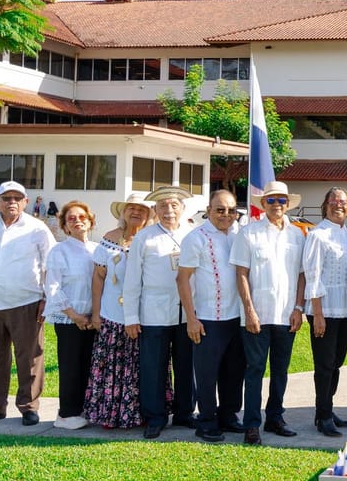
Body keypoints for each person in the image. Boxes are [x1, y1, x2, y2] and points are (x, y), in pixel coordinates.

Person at [0, 181, 57, 427]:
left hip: (26, 302)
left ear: (26, 202)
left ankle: (28, 406)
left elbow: (50, 266)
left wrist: (47, 298)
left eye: (17, 198)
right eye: (6, 198)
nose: (12, 202)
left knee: (29, 357)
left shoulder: (37, 228)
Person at [232, 181, 307, 445]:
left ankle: (276, 417)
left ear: (288, 204)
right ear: (263, 204)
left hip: (287, 314)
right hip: (256, 316)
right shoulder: (248, 233)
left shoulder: (297, 235)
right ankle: (252, 424)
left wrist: (299, 308)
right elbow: (241, 273)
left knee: (281, 370)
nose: (277, 205)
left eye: (282, 201)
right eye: (272, 200)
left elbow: (301, 275)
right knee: (254, 370)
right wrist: (250, 311)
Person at [124, 186, 195, 440]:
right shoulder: (145, 238)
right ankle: (155, 416)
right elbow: (132, 279)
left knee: (186, 365)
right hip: (153, 313)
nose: (169, 211)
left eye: (174, 205)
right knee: (153, 366)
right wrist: (131, 316)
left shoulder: (193, 234)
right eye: (163, 206)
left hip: (187, 313)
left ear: (183, 209)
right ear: (155, 210)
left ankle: (185, 412)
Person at [177, 189, 245, 443]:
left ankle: (228, 415)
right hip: (207, 317)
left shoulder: (239, 234)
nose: (226, 215)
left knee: (234, 371)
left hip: (236, 316)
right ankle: (206, 421)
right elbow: (182, 279)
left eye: (231, 210)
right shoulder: (197, 238)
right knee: (207, 373)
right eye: (220, 210)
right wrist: (191, 318)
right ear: (209, 209)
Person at [85, 193, 153, 429]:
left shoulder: (150, 239)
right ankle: (110, 414)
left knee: (142, 365)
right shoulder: (108, 239)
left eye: (142, 209)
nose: (136, 212)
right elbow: (98, 278)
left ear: (149, 215)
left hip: (143, 315)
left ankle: (143, 413)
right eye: (131, 208)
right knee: (112, 365)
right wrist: (96, 313)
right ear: (123, 212)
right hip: (112, 313)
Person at [302, 187, 347, 436]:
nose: (338, 205)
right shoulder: (318, 234)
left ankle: (327, 408)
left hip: (344, 308)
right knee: (324, 365)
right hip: (323, 308)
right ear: (325, 205)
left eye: (343, 202)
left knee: (336, 363)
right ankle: (322, 416)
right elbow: (312, 274)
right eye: (333, 201)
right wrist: (318, 312)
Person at [44, 200, 100, 430]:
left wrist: (93, 315)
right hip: (70, 319)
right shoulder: (59, 251)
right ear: (65, 226)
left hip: (93, 318)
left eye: (82, 217)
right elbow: (53, 287)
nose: (78, 221)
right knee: (71, 366)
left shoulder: (98, 249)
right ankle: (67, 413)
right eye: (72, 219)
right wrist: (75, 315)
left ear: (90, 221)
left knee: (89, 365)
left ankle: (85, 409)